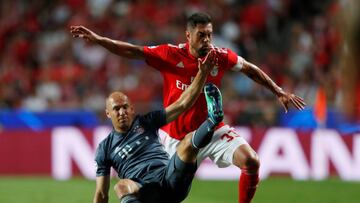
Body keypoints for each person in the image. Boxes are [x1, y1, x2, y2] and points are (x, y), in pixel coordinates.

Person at [71, 12, 306, 203]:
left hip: (212, 130)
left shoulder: (219, 56)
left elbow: (250, 69)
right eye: (201, 35)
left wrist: (279, 92)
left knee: (252, 161)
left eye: (210, 35)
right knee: (164, 196)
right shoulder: (170, 54)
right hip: (175, 139)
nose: (207, 40)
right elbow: (132, 50)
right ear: (188, 35)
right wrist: (100, 40)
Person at [93, 50, 223, 203]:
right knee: (121, 186)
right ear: (108, 114)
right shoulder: (105, 148)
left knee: (188, 141)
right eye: (116, 109)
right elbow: (101, 194)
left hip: (169, 179)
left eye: (125, 107)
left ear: (132, 109)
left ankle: (212, 120)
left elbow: (182, 104)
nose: (121, 112)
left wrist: (202, 73)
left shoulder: (147, 122)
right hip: (144, 191)